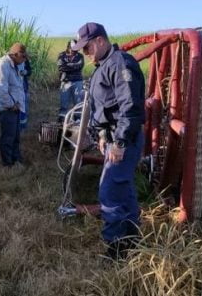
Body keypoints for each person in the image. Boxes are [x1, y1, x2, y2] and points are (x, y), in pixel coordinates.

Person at [71, 22, 145, 259]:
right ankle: (132, 238)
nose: (86, 53)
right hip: (113, 136)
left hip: (124, 138)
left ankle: (116, 250)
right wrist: (103, 135)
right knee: (123, 188)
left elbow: (130, 107)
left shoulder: (121, 64)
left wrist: (120, 142)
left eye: (88, 47)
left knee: (109, 192)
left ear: (101, 41)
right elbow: (103, 106)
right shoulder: (103, 65)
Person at [0, 42, 28, 166]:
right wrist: (11, 105)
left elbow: (17, 85)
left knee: (16, 136)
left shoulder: (17, 64)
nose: (24, 60)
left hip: (16, 107)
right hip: (8, 108)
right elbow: (0, 90)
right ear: (16, 54)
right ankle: (7, 164)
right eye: (23, 57)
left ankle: (16, 159)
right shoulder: (3, 65)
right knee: (8, 137)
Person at [57, 40, 84, 120]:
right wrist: (73, 66)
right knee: (64, 104)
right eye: (73, 49)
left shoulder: (80, 56)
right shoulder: (61, 55)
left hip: (77, 81)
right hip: (65, 82)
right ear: (68, 47)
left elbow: (80, 66)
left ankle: (78, 120)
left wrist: (67, 66)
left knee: (78, 103)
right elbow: (60, 67)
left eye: (76, 49)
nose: (74, 51)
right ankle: (62, 121)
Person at [18, 56, 32, 131]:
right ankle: (18, 127)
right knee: (18, 109)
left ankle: (23, 127)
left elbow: (29, 71)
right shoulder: (12, 62)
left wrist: (26, 72)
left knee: (25, 108)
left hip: (24, 88)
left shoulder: (25, 60)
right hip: (16, 89)